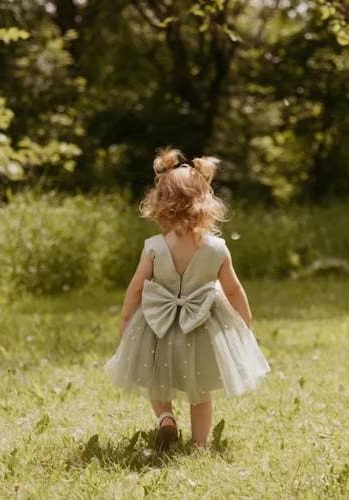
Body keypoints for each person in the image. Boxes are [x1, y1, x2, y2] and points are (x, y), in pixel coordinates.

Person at [105, 148, 270, 451]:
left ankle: (166, 417)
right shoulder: (217, 249)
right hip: (203, 326)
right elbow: (233, 289)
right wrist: (244, 320)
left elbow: (136, 288)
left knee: (157, 378)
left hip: (157, 325)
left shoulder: (154, 247)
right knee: (201, 390)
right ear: (205, 202)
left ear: (159, 204)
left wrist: (127, 318)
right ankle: (200, 444)